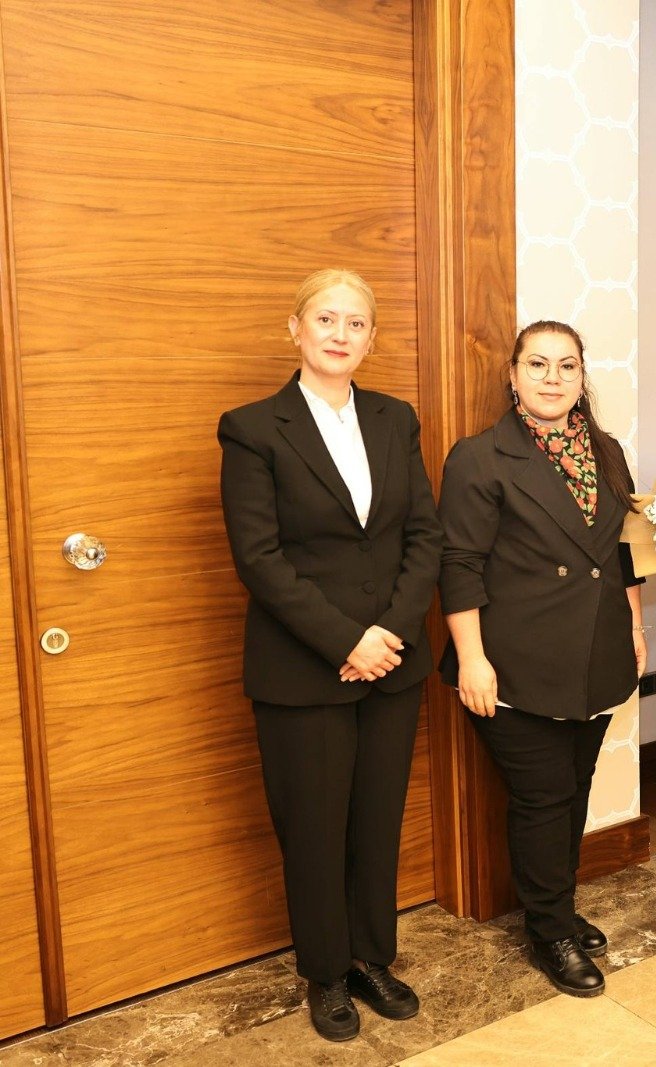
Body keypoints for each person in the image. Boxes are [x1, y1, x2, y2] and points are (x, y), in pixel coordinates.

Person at [219, 269, 441, 1042]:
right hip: (302, 669)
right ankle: (325, 972)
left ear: (371, 339)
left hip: (393, 662)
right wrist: (347, 640)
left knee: (375, 822)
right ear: (296, 329)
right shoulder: (252, 428)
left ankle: (372, 957)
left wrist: (390, 633)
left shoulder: (395, 418)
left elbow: (424, 536)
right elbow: (259, 557)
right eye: (326, 319)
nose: (341, 334)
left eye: (356, 323)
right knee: (314, 828)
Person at [437, 321, 646, 999]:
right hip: (513, 660)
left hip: (597, 649)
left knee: (574, 786)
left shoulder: (606, 450)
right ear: (514, 374)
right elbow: (459, 565)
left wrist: (637, 630)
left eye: (566, 365)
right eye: (538, 364)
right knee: (542, 795)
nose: (552, 377)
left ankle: (555, 905)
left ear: (583, 376)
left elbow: (623, 551)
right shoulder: (481, 457)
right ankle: (550, 929)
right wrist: (471, 658)